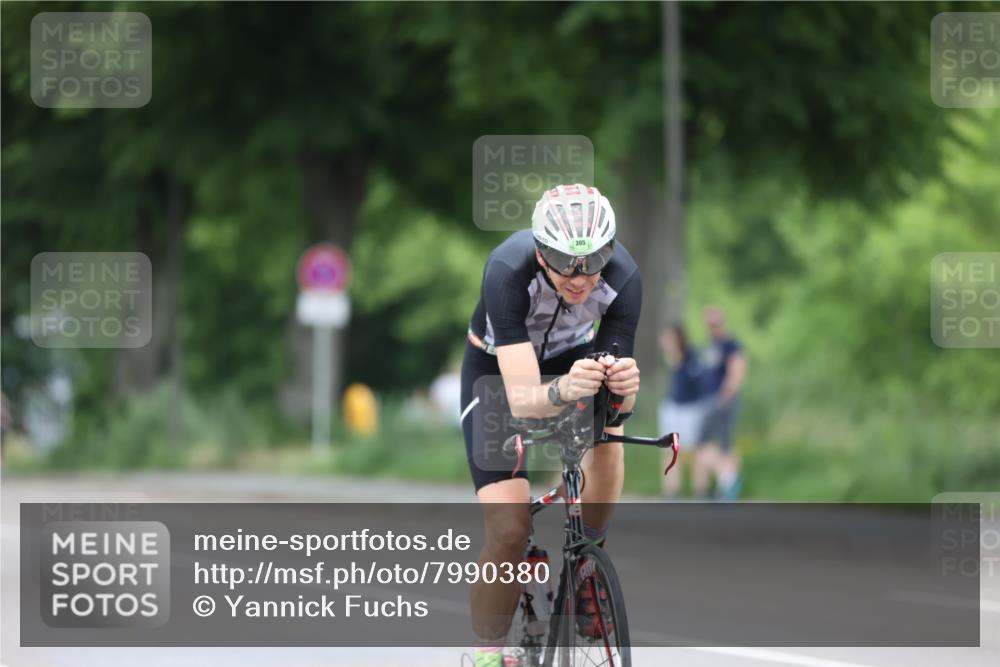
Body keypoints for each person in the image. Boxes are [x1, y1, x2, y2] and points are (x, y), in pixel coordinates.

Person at [460, 184, 642, 666]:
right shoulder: (506, 269)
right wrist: (564, 391)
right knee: (508, 529)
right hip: (497, 373)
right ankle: (486, 656)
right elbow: (521, 399)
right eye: (565, 261)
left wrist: (624, 394)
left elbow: (617, 405)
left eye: (595, 259)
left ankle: (588, 570)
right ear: (541, 251)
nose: (580, 278)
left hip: (572, 361)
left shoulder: (624, 278)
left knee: (609, 441)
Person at [694, 306, 747, 500]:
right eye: (709, 324)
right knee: (710, 445)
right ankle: (728, 480)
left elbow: (737, 371)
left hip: (723, 400)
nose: (712, 328)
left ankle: (729, 482)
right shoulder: (710, 346)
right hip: (709, 400)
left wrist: (726, 395)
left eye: (715, 324)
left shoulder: (730, 345)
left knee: (720, 444)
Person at [657, 324, 710, 498]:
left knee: (696, 450)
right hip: (673, 408)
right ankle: (671, 490)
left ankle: (700, 489)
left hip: (692, 409)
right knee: (670, 450)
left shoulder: (691, 355)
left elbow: (697, 382)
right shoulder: (671, 357)